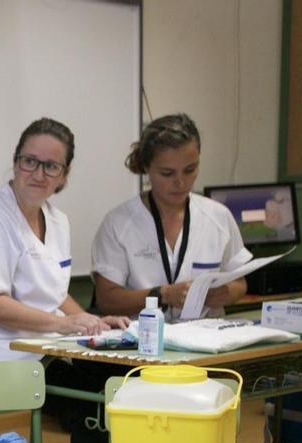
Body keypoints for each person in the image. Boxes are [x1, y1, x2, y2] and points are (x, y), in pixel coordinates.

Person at [0, 117, 129, 364]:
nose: (39, 175)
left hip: (41, 342)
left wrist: (91, 323)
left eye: (51, 166)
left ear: (64, 175)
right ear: (16, 161)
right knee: (77, 380)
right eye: (30, 162)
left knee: (102, 371)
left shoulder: (58, 221)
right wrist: (61, 323)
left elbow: (55, 294)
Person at [92, 113, 252, 321]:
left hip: (205, 341)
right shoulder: (118, 223)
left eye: (190, 170)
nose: (181, 182)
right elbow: (107, 299)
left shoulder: (218, 216)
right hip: (143, 343)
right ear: (147, 168)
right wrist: (163, 295)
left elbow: (240, 284)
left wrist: (226, 293)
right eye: (167, 173)